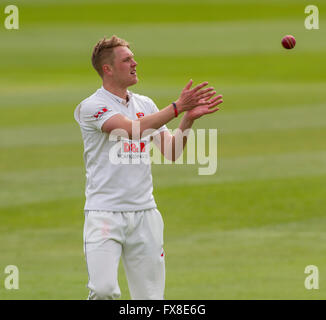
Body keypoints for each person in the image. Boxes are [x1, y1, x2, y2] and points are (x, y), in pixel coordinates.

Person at [74, 35, 223, 300]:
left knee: (150, 299)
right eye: (127, 59)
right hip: (104, 213)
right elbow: (131, 130)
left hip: (145, 215)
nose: (135, 62)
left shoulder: (145, 104)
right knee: (104, 290)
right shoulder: (92, 106)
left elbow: (172, 151)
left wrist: (187, 120)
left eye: (133, 57)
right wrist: (177, 107)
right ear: (107, 69)